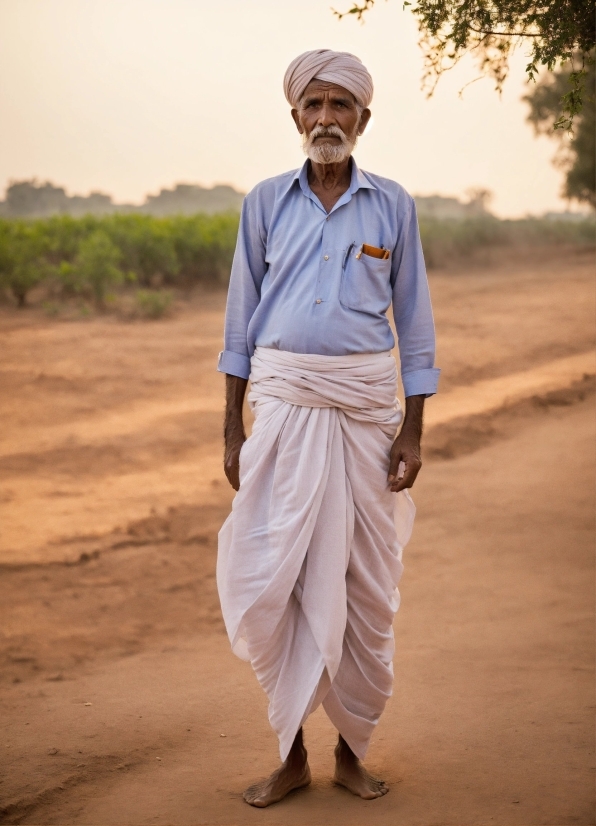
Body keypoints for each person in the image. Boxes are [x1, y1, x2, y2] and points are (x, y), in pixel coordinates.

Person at [216, 48, 440, 808]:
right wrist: (230, 430)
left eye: (341, 106)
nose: (326, 120)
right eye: (313, 105)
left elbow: (413, 325)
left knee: (364, 586)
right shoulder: (264, 203)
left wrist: (412, 430)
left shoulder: (394, 206)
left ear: (363, 119)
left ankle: (351, 750)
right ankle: (291, 755)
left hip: (369, 412)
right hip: (280, 408)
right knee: (278, 579)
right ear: (294, 117)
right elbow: (240, 322)